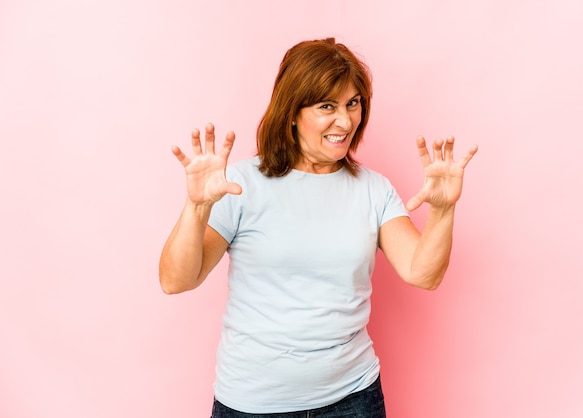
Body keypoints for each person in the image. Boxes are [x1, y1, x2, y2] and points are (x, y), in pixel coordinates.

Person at [159, 38, 477, 417]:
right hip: (253, 404)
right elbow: (176, 280)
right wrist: (197, 207)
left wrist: (443, 210)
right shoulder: (240, 184)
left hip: (353, 398)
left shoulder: (373, 189)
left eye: (353, 103)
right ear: (292, 111)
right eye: (327, 106)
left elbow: (422, 273)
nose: (345, 121)